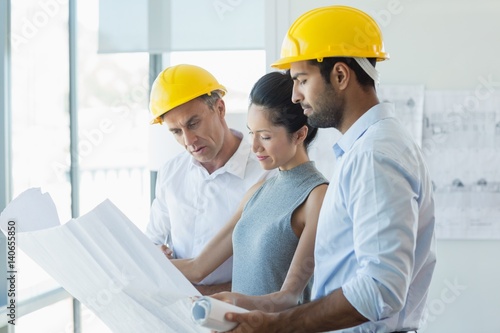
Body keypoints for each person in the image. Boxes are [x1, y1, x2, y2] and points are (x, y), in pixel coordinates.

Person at [224, 5, 437, 332]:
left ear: (340, 75)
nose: (295, 96)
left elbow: (380, 289)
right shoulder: (366, 149)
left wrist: (278, 325)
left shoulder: (373, 155)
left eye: (302, 80)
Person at [172, 71, 328, 311]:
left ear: (299, 134)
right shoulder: (259, 190)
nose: (254, 146)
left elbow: (288, 297)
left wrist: (233, 301)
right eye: (251, 133)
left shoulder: (317, 196)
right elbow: (198, 267)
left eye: (265, 136)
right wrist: (136, 264)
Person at [146, 64, 273, 295]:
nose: (189, 140)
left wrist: (206, 294)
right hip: (181, 314)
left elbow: (274, 270)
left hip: (242, 316)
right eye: (176, 131)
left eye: (193, 123)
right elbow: (153, 239)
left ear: (220, 108)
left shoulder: (265, 173)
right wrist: (156, 253)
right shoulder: (170, 173)